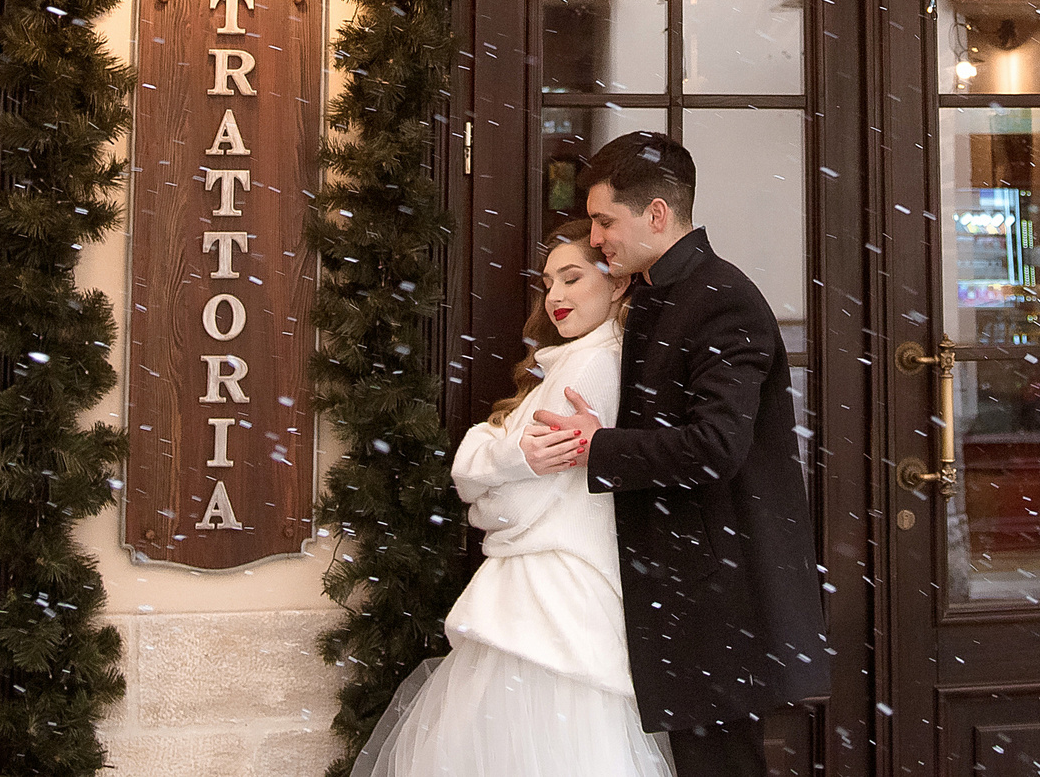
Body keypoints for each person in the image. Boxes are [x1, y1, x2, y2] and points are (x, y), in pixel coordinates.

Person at [521, 132, 828, 777]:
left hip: (718, 591)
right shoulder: (661, 292)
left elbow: (714, 447)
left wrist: (596, 445)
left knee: (721, 766)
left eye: (605, 221)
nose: (596, 238)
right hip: (686, 585)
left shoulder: (722, 300)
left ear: (657, 214)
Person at [350, 227, 674, 777]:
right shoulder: (567, 361)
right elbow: (479, 475)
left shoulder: (593, 365)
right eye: (548, 284)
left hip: (555, 593)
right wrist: (505, 461)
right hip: (543, 592)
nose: (555, 297)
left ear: (617, 285)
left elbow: (507, 506)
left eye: (571, 278)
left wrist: (492, 471)